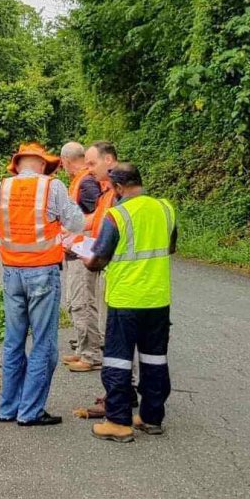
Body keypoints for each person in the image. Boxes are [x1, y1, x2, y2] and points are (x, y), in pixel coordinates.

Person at [0, 143, 87, 426]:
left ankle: (8, 408)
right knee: (43, 343)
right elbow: (77, 223)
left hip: (12, 274)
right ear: (42, 165)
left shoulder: (2, 188)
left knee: (13, 342)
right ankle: (30, 411)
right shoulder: (53, 187)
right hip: (43, 274)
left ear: (19, 165)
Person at [78, 161, 178, 443]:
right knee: (154, 359)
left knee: (118, 362)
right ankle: (151, 417)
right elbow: (170, 247)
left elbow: (96, 260)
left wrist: (83, 256)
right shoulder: (165, 209)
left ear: (119, 187)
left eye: (113, 188)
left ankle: (119, 422)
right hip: (157, 298)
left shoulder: (117, 216)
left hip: (126, 299)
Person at [62, 140, 117, 372]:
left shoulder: (89, 184)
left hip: (88, 254)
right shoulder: (100, 188)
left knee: (84, 302)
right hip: (88, 252)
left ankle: (90, 353)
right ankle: (86, 350)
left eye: (93, 163)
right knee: (83, 302)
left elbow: (100, 220)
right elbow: (94, 218)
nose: (90, 169)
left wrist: (72, 234)